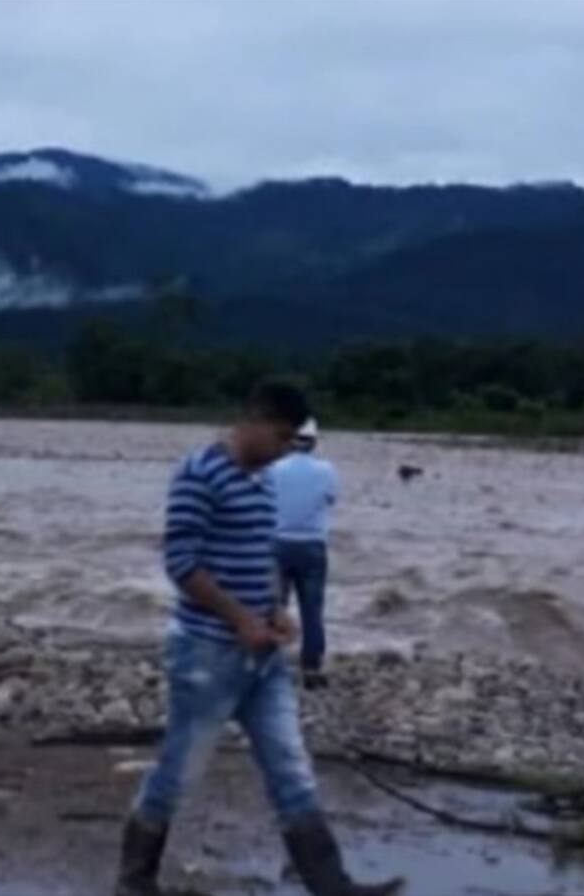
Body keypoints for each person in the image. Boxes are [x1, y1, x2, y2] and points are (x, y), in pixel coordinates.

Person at [115, 381, 403, 896]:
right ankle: (134, 881)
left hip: (261, 657)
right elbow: (181, 563)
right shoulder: (199, 473)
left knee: (291, 767)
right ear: (255, 421)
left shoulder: (264, 480)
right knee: (178, 772)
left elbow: (262, 554)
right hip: (206, 654)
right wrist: (239, 618)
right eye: (281, 437)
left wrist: (273, 611)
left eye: (293, 441)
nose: (284, 449)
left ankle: (331, 884)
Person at [271, 418, 339, 690]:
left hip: (278, 544)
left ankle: (269, 664)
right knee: (312, 610)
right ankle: (311, 667)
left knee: (276, 609)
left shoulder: (274, 469)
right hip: (312, 545)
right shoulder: (327, 470)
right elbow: (331, 499)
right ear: (314, 441)